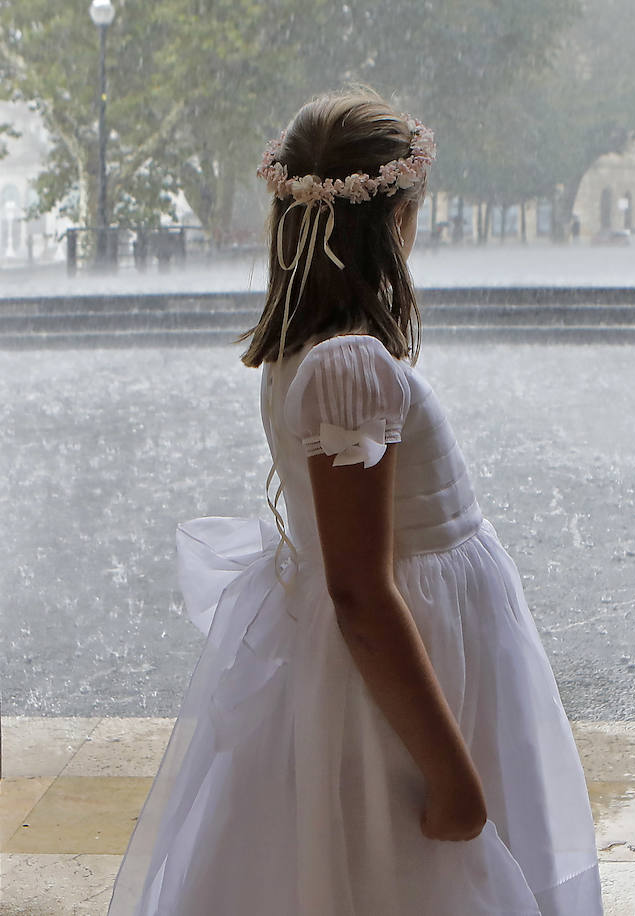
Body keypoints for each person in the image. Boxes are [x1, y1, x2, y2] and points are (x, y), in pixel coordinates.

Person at [108, 87, 603, 916]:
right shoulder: (350, 368)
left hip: (404, 645)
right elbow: (362, 591)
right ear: (393, 223)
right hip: (405, 670)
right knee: (398, 868)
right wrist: (452, 777)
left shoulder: (307, 352)